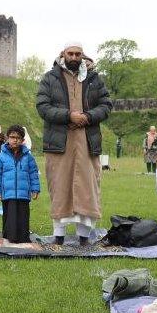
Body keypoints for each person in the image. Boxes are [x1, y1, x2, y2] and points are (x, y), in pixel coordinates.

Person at [37, 42, 113, 246]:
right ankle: (59, 235)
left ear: (82, 55)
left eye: (78, 54)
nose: (74, 57)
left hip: (87, 141)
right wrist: (69, 116)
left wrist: (87, 117)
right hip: (59, 142)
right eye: (70, 53)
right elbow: (43, 107)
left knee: (87, 188)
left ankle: (84, 237)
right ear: (63, 54)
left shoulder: (94, 79)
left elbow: (106, 105)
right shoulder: (50, 78)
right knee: (60, 187)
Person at [0, 125, 40, 243]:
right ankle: (9, 238)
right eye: (12, 137)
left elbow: (33, 173)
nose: (15, 140)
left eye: (18, 138)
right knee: (10, 218)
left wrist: (35, 189)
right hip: (8, 194)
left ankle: (24, 238)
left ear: (23, 140)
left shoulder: (28, 157)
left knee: (23, 217)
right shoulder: (1, 157)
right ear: (7, 138)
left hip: (24, 194)